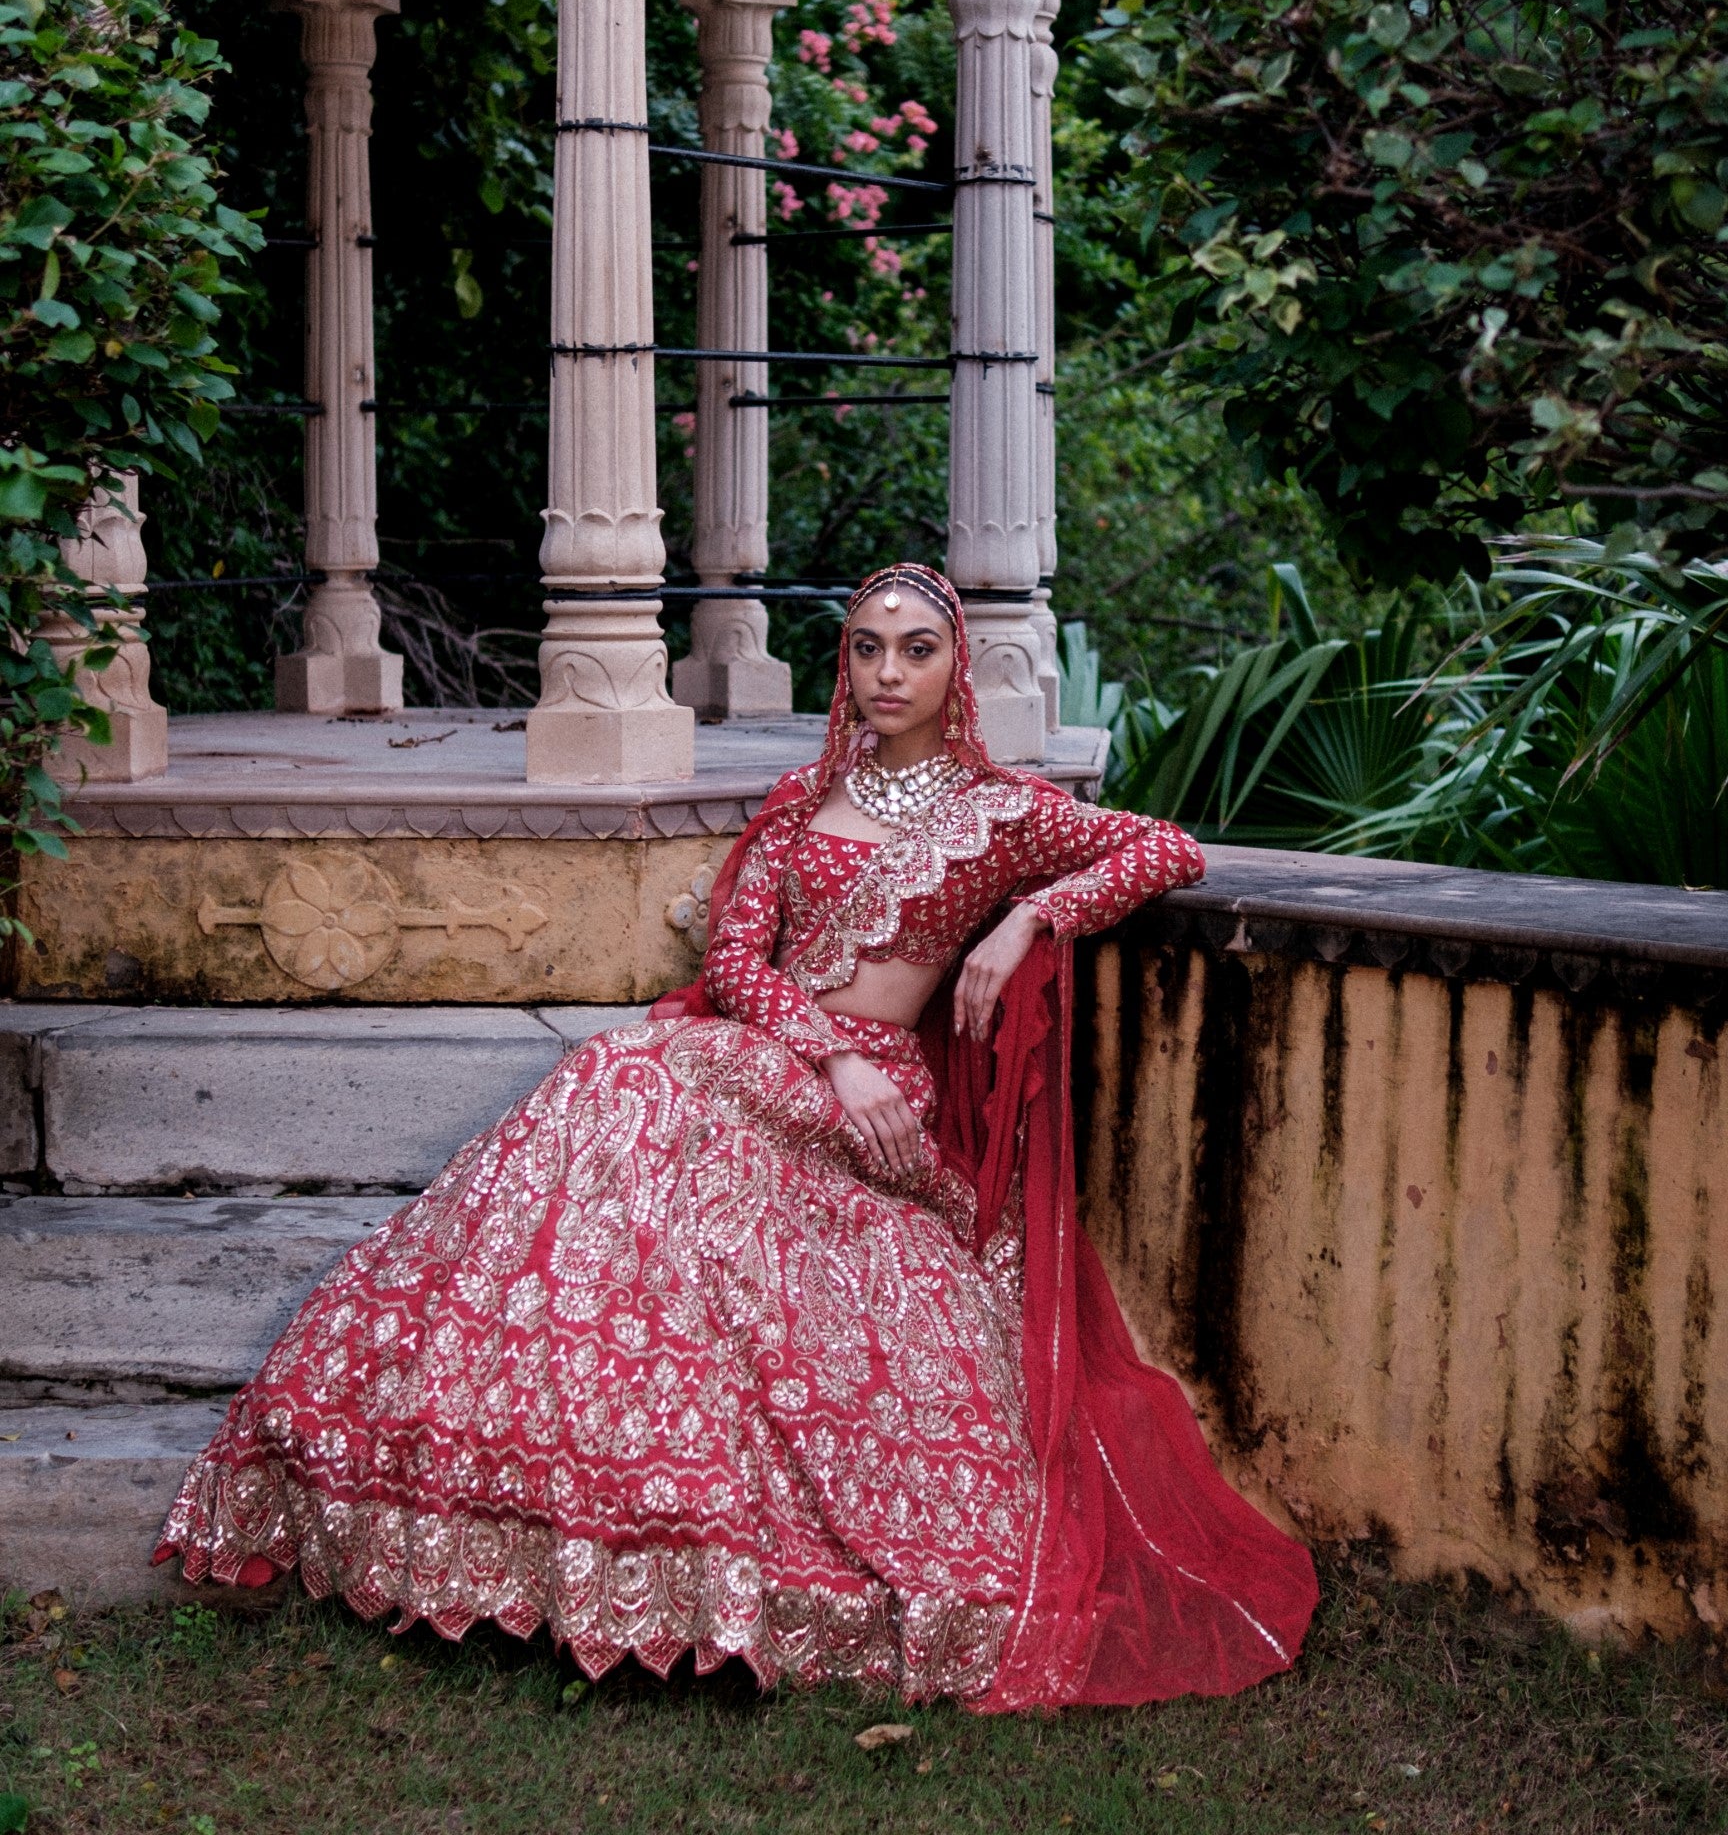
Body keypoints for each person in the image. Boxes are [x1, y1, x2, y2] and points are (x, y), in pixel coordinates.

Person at [156, 564, 1317, 1708]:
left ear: (958, 666)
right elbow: (733, 966)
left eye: (917, 648)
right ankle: (493, 1502)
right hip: (791, 1060)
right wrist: (831, 1051)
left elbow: (1164, 847)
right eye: (867, 646)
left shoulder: (1001, 812)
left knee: (653, 1128)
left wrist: (1027, 917)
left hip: (874, 1106)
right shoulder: (808, 800)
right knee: (614, 1096)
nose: (888, 671)